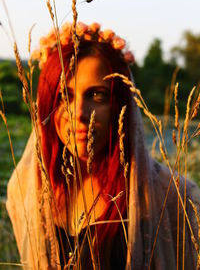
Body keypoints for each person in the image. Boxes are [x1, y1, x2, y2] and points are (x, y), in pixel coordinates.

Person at [6, 22, 200, 270]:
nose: (79, 114)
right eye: (64, 95)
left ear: (120, 104)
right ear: (46, 103)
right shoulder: (25, 188)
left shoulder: (171, 197)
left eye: (96, 95)